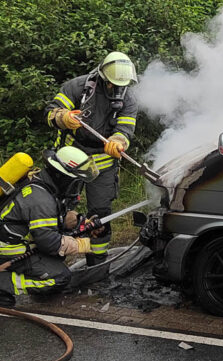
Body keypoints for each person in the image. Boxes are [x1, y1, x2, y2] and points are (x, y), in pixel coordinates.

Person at [45, 51, 138, 268]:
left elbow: (126, 128)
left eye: (120, 85)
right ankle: (53, 263)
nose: (116, 89)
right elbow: (50, 113)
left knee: (101, 216)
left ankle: (97, 264)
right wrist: (63, 117)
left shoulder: (129, 98)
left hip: (102, 166)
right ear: (102, 76)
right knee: (59, 210)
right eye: (111, 84)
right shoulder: (76, 87)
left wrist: (118, 142)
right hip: (69, 162)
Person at [0, 147, 101, 307]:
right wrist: (83, 245)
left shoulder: (45, 186)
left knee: (57, 260)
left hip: (20, 242)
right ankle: (4, 284)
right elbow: (49, 242)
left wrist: (80, 222)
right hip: (9, 251)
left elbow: (52, 221)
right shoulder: (41, 199)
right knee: (59, 278)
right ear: (63, 177)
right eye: (76, 182)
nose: (78, 188)